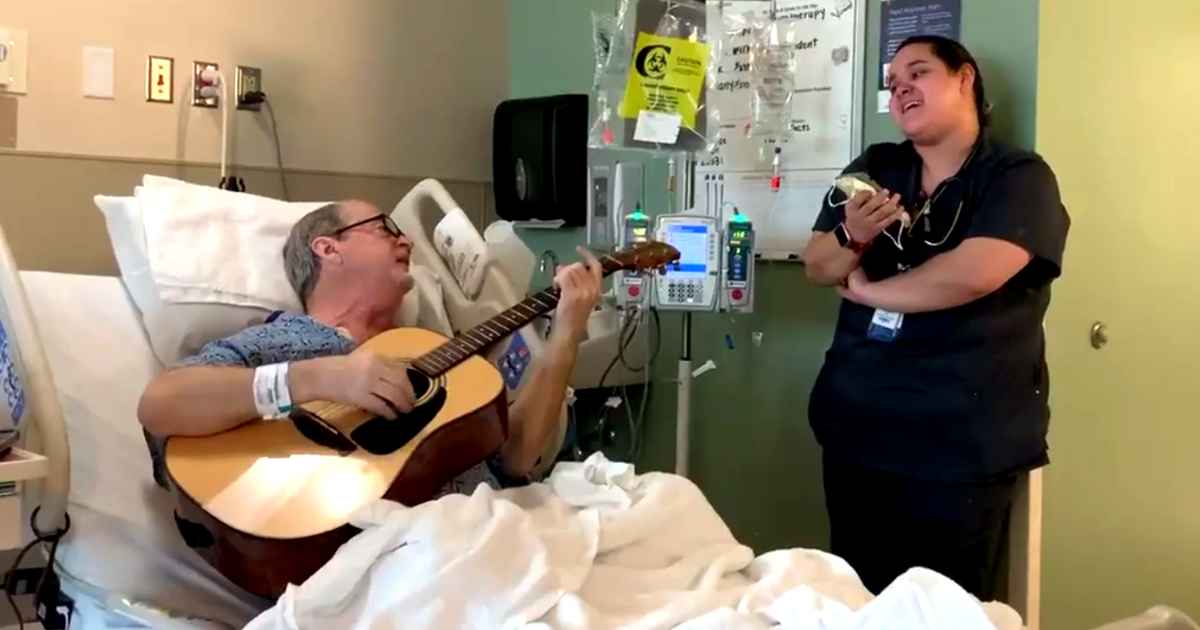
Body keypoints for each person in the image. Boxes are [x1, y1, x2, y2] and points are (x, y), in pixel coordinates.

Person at [802, 35, 1070, 600]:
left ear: (965, 78)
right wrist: (855, 234)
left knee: (944, 606)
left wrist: (872, 293)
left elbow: (975, 271)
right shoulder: (876, 168)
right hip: (859, 433)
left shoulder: (1016, 177)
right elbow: (819, 264)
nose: (901, 90)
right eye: (893, 84)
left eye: (917, 74)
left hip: (958, 443)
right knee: (859, 597)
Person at [138, 199, 602, 494]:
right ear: (328, 249)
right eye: (384, 227)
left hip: (470, 538)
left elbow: (516, 459)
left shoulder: (435, 354)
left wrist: (565, 336)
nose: (406, 240)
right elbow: (161, 404)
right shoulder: (278, 339)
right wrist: (319, 377)